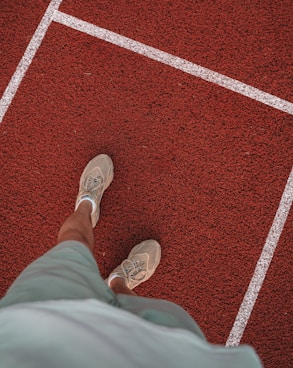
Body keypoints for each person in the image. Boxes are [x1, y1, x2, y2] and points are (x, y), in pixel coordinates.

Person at [0, 154, 262, 367]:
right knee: (132, 305)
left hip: (28, 326)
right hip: (149, 354)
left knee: (73, 241)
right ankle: (117, 281)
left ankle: (86, 204)